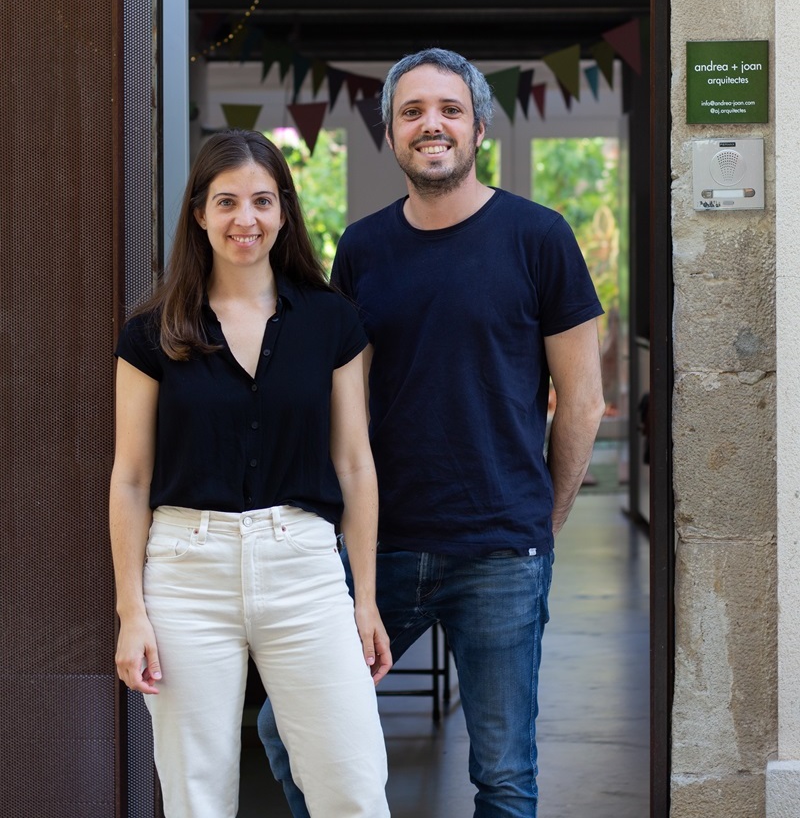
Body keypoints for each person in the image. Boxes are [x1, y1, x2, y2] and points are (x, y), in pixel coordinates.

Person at [258, 48, 606, 817]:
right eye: (412, 112)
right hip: (383, 542)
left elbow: (582, 402)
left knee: (504, 777)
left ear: (479, 126)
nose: (431, 125)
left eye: (448, 109)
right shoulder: (364, 247)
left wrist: (542, 524)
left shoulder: (538, 237)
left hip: (500, 551)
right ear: (391, 134)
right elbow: (340, 396)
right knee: (286, 727)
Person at [109, 129, 392, 818]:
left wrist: (364, 598)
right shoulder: (152, 331)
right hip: (185, 571)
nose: (246, 219)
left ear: (284, 211)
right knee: (195, 794)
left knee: (351, 785)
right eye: (227, 201)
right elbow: (130, 478)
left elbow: (354, 464)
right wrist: (130, 611)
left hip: (304, 567)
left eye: (263, 201)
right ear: (199, 214)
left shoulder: (331, 322)